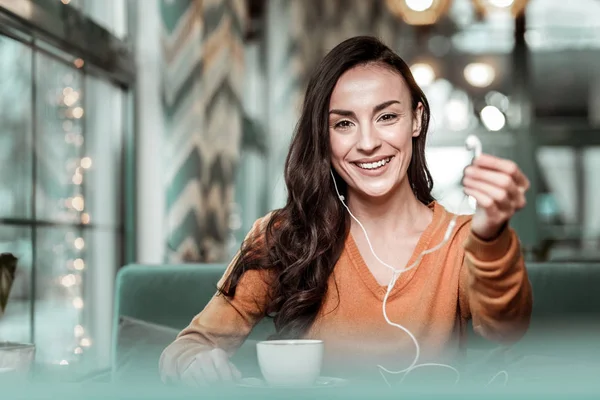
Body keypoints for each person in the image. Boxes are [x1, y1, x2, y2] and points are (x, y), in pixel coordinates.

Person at [159, 36, 532, 386]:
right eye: (344, 123)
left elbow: (507, 329)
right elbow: (184, 349)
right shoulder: (284, 235)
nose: (368, 143)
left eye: (387, 117)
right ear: (324, 136)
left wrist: (490, 235)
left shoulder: (464, 239)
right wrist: (195, 364)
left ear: (416, 120)